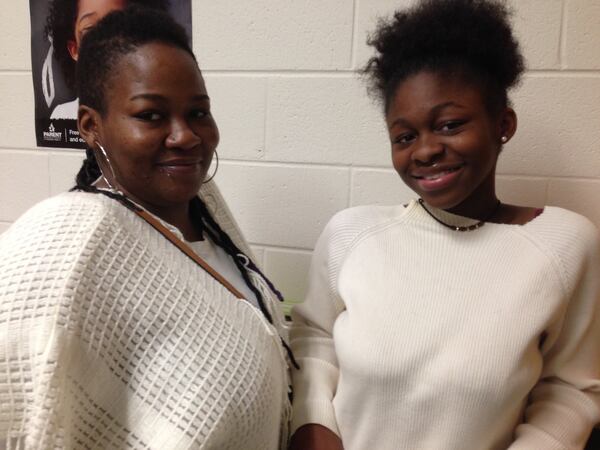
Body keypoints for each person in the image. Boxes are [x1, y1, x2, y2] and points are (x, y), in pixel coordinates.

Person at [289, 0, 600, 449]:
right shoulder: (351, 235)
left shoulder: (565, 245)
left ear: (503, 124)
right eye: (404, 136)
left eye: (450, 124)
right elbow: (314, 340)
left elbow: (571, 389)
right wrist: (312, 425)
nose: (425, 150)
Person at [1, 7, 292, 449]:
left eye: (198, 113)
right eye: (151, 116)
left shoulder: (205, 210)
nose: (186, 136)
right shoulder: (63, 245)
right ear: (90, 126)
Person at [45, 0, 169, 119]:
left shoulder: (158, 107)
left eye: (118, 25)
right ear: (75, 50)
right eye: (90, 30)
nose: (105, 40)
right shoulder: (64, 115)